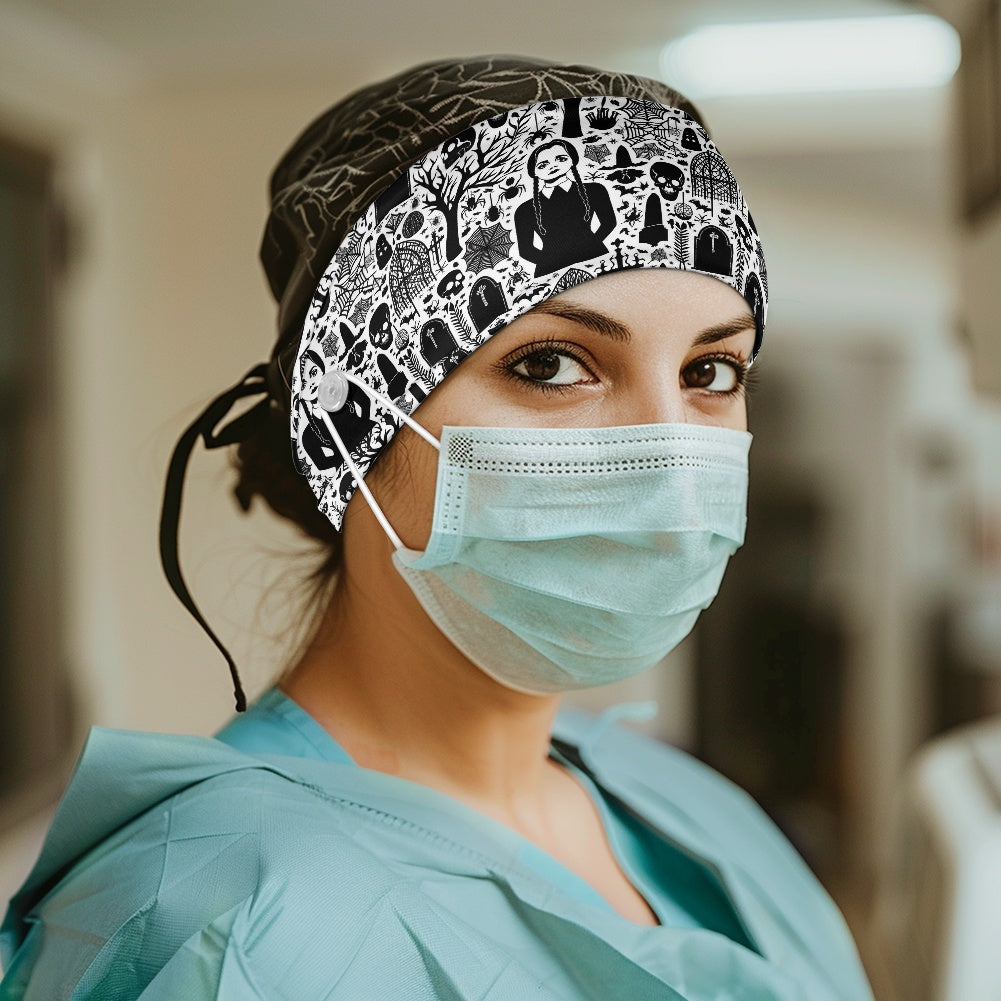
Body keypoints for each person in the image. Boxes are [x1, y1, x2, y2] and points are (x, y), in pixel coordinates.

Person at [0, 57, 874, 1000]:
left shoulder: (681, 808)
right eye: (549, 363)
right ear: (350, 422)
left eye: (711, 373)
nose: (667, 452)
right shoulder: (221, 925)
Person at [514, 139, 617, 277]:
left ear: (572, 160)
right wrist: (551, 260)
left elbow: (609, 222)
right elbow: (526, 250)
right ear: (534, 172)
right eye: (543, 165)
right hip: (550, 270)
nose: (553, 166)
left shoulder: (595, 190)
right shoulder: (524, 210)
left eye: (561, 159)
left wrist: (591, 245)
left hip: (596, 257)